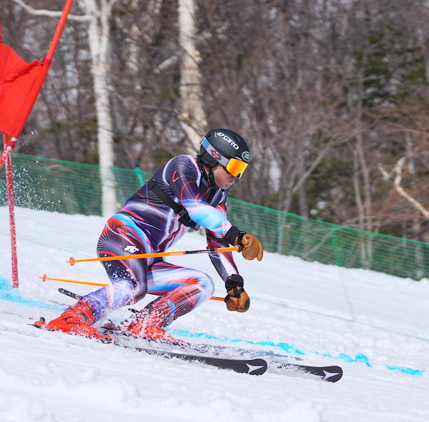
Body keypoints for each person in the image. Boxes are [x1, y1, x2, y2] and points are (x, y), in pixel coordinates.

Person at [36, 128, 264, 343]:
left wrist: (234, 283)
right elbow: (194, 207)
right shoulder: (184, 166)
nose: (236, 176)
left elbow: (217, 242)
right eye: (234, 167)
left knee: (202, 284)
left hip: (149, 256)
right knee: (134, 286)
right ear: (214, 158)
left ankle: (143, 324)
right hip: (122, 237)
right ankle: (73, 318)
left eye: (241, 170)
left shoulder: (218, 194)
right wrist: (237, 235)